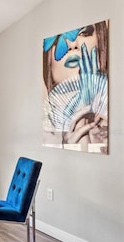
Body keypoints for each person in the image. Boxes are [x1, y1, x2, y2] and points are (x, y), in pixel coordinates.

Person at [42, 20, 108, 153]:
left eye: (84, 33)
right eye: (57, 41)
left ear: (101, 44)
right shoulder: (43, 133)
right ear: (48, 61)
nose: (72, 45)